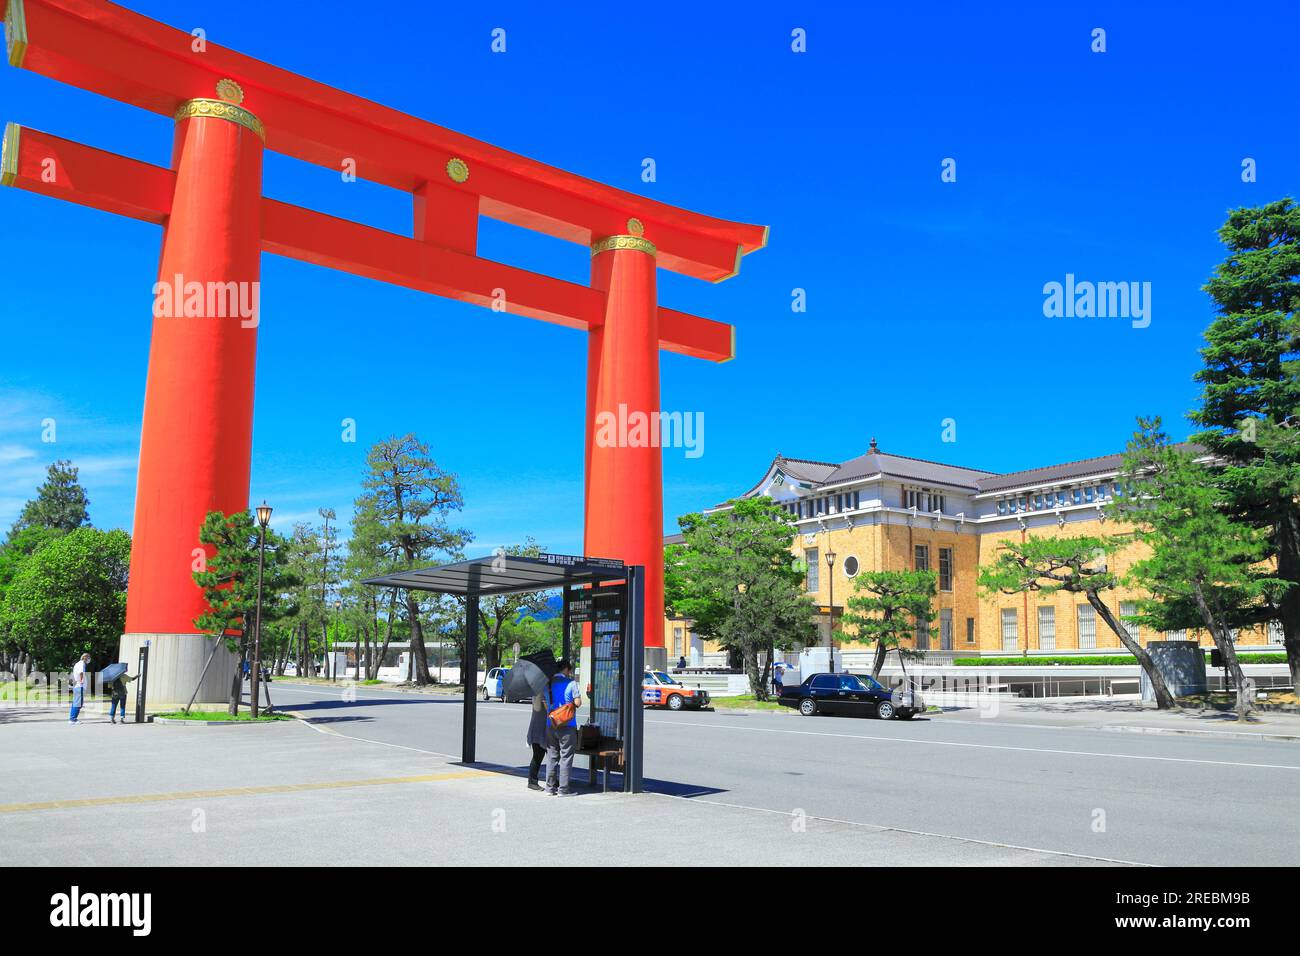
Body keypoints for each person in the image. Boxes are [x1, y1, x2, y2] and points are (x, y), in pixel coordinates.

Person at [544, 659, 583, 796]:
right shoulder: (571, 684)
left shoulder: (548, 685)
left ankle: (549, 788)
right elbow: (578, 703)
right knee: (566, 756)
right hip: (567, 725)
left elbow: (545, 704)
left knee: (552, 756)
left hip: (551, 724)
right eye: (569, 670)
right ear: (566, 669)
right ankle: (563, 789)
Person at [526, 692, 548, 792]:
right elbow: (538, 708)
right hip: (538, 727)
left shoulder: (541, 689)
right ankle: (532, 781)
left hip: (543, 726)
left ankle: (552, 780)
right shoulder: (539, 691)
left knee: (552, 755)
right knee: (538, 755)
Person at [69, 652, 90, 725]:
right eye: (88, 658)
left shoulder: (78, 664)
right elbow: (81, 673)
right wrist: (81, 681)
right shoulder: (81, 664)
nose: (89, 659)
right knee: (78, 703)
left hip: (77, 686)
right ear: (85, 658)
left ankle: (72, 718)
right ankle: (73, 719)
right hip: (79, 686)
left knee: (76, 703)